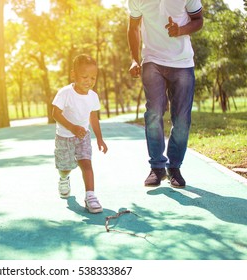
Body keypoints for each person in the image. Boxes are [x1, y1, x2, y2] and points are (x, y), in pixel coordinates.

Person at [127, 0, 204, 188]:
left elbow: (199, 20)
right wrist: (134, 60)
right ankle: (157, 167)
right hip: (152, 60)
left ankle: (174, 167)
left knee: (182, 119)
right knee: (154, 112)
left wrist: (180, 30)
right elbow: (133, 28)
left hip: (183, 62)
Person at [52, 54, 108, 214]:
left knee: (86, 164)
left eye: (93, 78)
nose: (89, 81)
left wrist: (99, 138)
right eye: (84, 77)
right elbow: (55, 113)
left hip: (83, 137)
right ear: (73, 75)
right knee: (65, 167)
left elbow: (93, 117)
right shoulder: (65, 93)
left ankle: (90, 196)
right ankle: (64, 178)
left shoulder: (93, 96)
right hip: (64, 138)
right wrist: (72, 127)